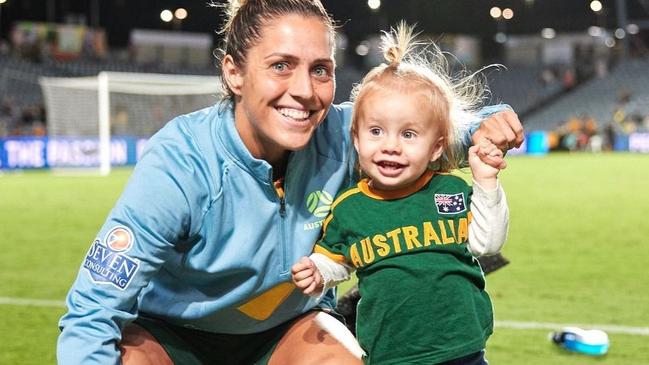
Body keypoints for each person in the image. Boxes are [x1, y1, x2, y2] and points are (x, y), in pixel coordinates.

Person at [56, 1, 524, 364]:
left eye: (320, 69)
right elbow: (94, 309)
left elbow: (431, 133)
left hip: (288, 333)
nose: (304, 90)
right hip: (174, 337)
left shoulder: (342, 137)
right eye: (281, 65)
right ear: (234, 72)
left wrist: (484, 126)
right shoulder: (179, 164)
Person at [291, 23, 509, 364]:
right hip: (390, 353)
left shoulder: (448, 189)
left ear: (437, 147)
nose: (390, 146)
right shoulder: (349, 207)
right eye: (376, 131)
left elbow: (488, 244)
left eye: (409, 135)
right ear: (357, 138)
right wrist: (318, 271)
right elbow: (337, 259)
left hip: (461, 348)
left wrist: (486, 183)